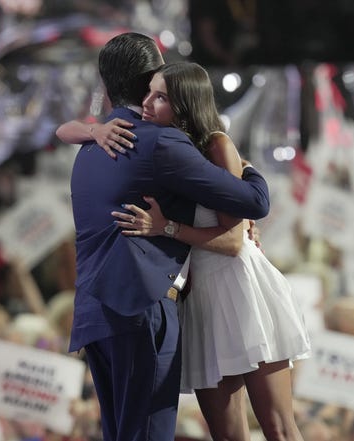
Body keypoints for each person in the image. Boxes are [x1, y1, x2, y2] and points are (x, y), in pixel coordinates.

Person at [64, 32, 270, 441]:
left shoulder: (90, 144)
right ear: (151, 81)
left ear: (105, 84)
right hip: (139, 308)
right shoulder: (160, 142)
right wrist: (243, 163)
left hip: (93, 312)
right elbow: (254, 202)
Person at [110, 61, 310, 441]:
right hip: (199, 298)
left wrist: (165, 227)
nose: (147, 103)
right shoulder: (156, 152)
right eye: (149, 92)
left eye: (161, 97)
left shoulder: (216, 144)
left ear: (185, 104)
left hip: (240, 288)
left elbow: (234, 242)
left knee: (279, 429)